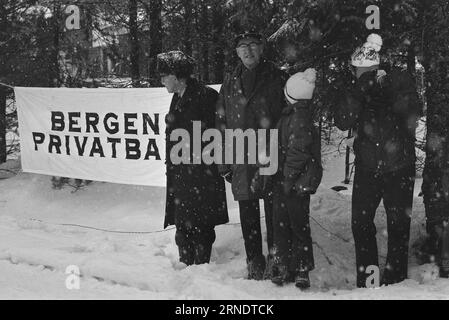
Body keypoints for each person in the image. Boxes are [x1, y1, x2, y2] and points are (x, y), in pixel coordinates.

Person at [333, 34, 421, 287]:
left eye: (370, 70)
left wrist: (391, 90)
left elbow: (413, 110)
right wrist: (360, 92)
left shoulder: (399, 80)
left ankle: (396, 281)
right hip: (367, 168)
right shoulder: (356, 90)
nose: (365, 75)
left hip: (399, 167)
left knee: (398, 227)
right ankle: (368, 278)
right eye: (361, 71)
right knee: (360, 223)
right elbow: (342, 120)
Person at [216, 30, 288, 280]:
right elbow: (221, 121)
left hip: (270, 151)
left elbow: (288, 117)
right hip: (240, 153)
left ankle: (277, 260)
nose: (248, 50)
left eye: (252, 45)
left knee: (274, 211)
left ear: (262, 47)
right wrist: (222, 160)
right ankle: (254, 262)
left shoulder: (277, 77)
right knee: (247, 211)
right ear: (236, 52)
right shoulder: (230, 80)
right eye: (242, 46)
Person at [158, 51, 229, 266]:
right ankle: (185, 262)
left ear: (178, 75)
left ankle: (200, 268)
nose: (161, 81)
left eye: (164, 75)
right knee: (183, 223)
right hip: (182, 174)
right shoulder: (177, 97)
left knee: (202, 225)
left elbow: (219, 133)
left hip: (201, 175)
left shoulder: (206, 96)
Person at [267, 69, 322, 289]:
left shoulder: (299, 118)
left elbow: (298, 152)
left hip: (295, 183)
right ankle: (285, 264)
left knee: (294, 225)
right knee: (285, 223)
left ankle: (299, 268)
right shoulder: (292, 114)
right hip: (291, 182)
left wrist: (287, 178)